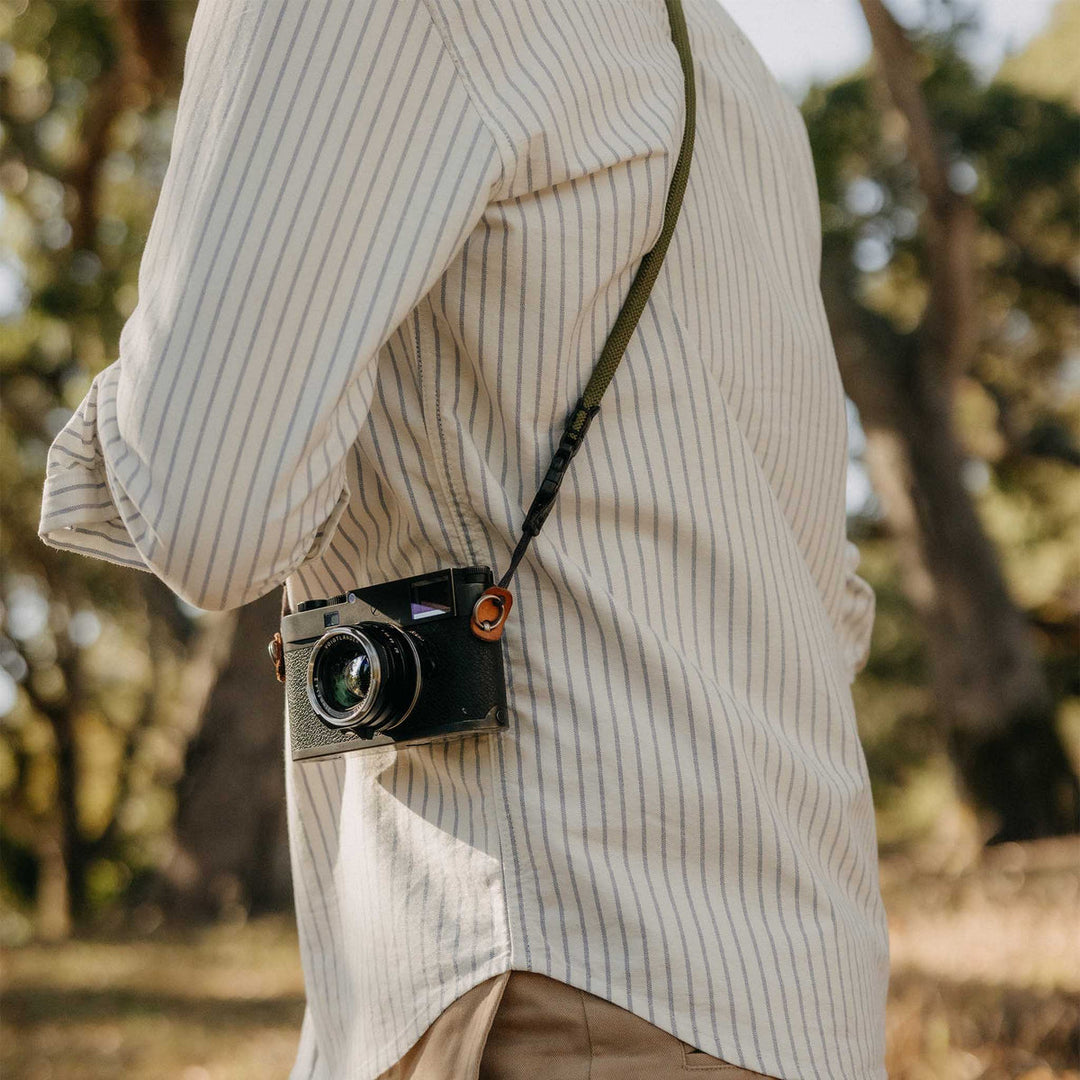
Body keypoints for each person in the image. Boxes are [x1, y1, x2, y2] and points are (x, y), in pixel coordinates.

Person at [39, 0, 890, 1077]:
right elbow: (831, 601)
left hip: (551, 962)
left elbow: (208, 511)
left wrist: (168, 398)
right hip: (799, 982)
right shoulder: (732, 67)